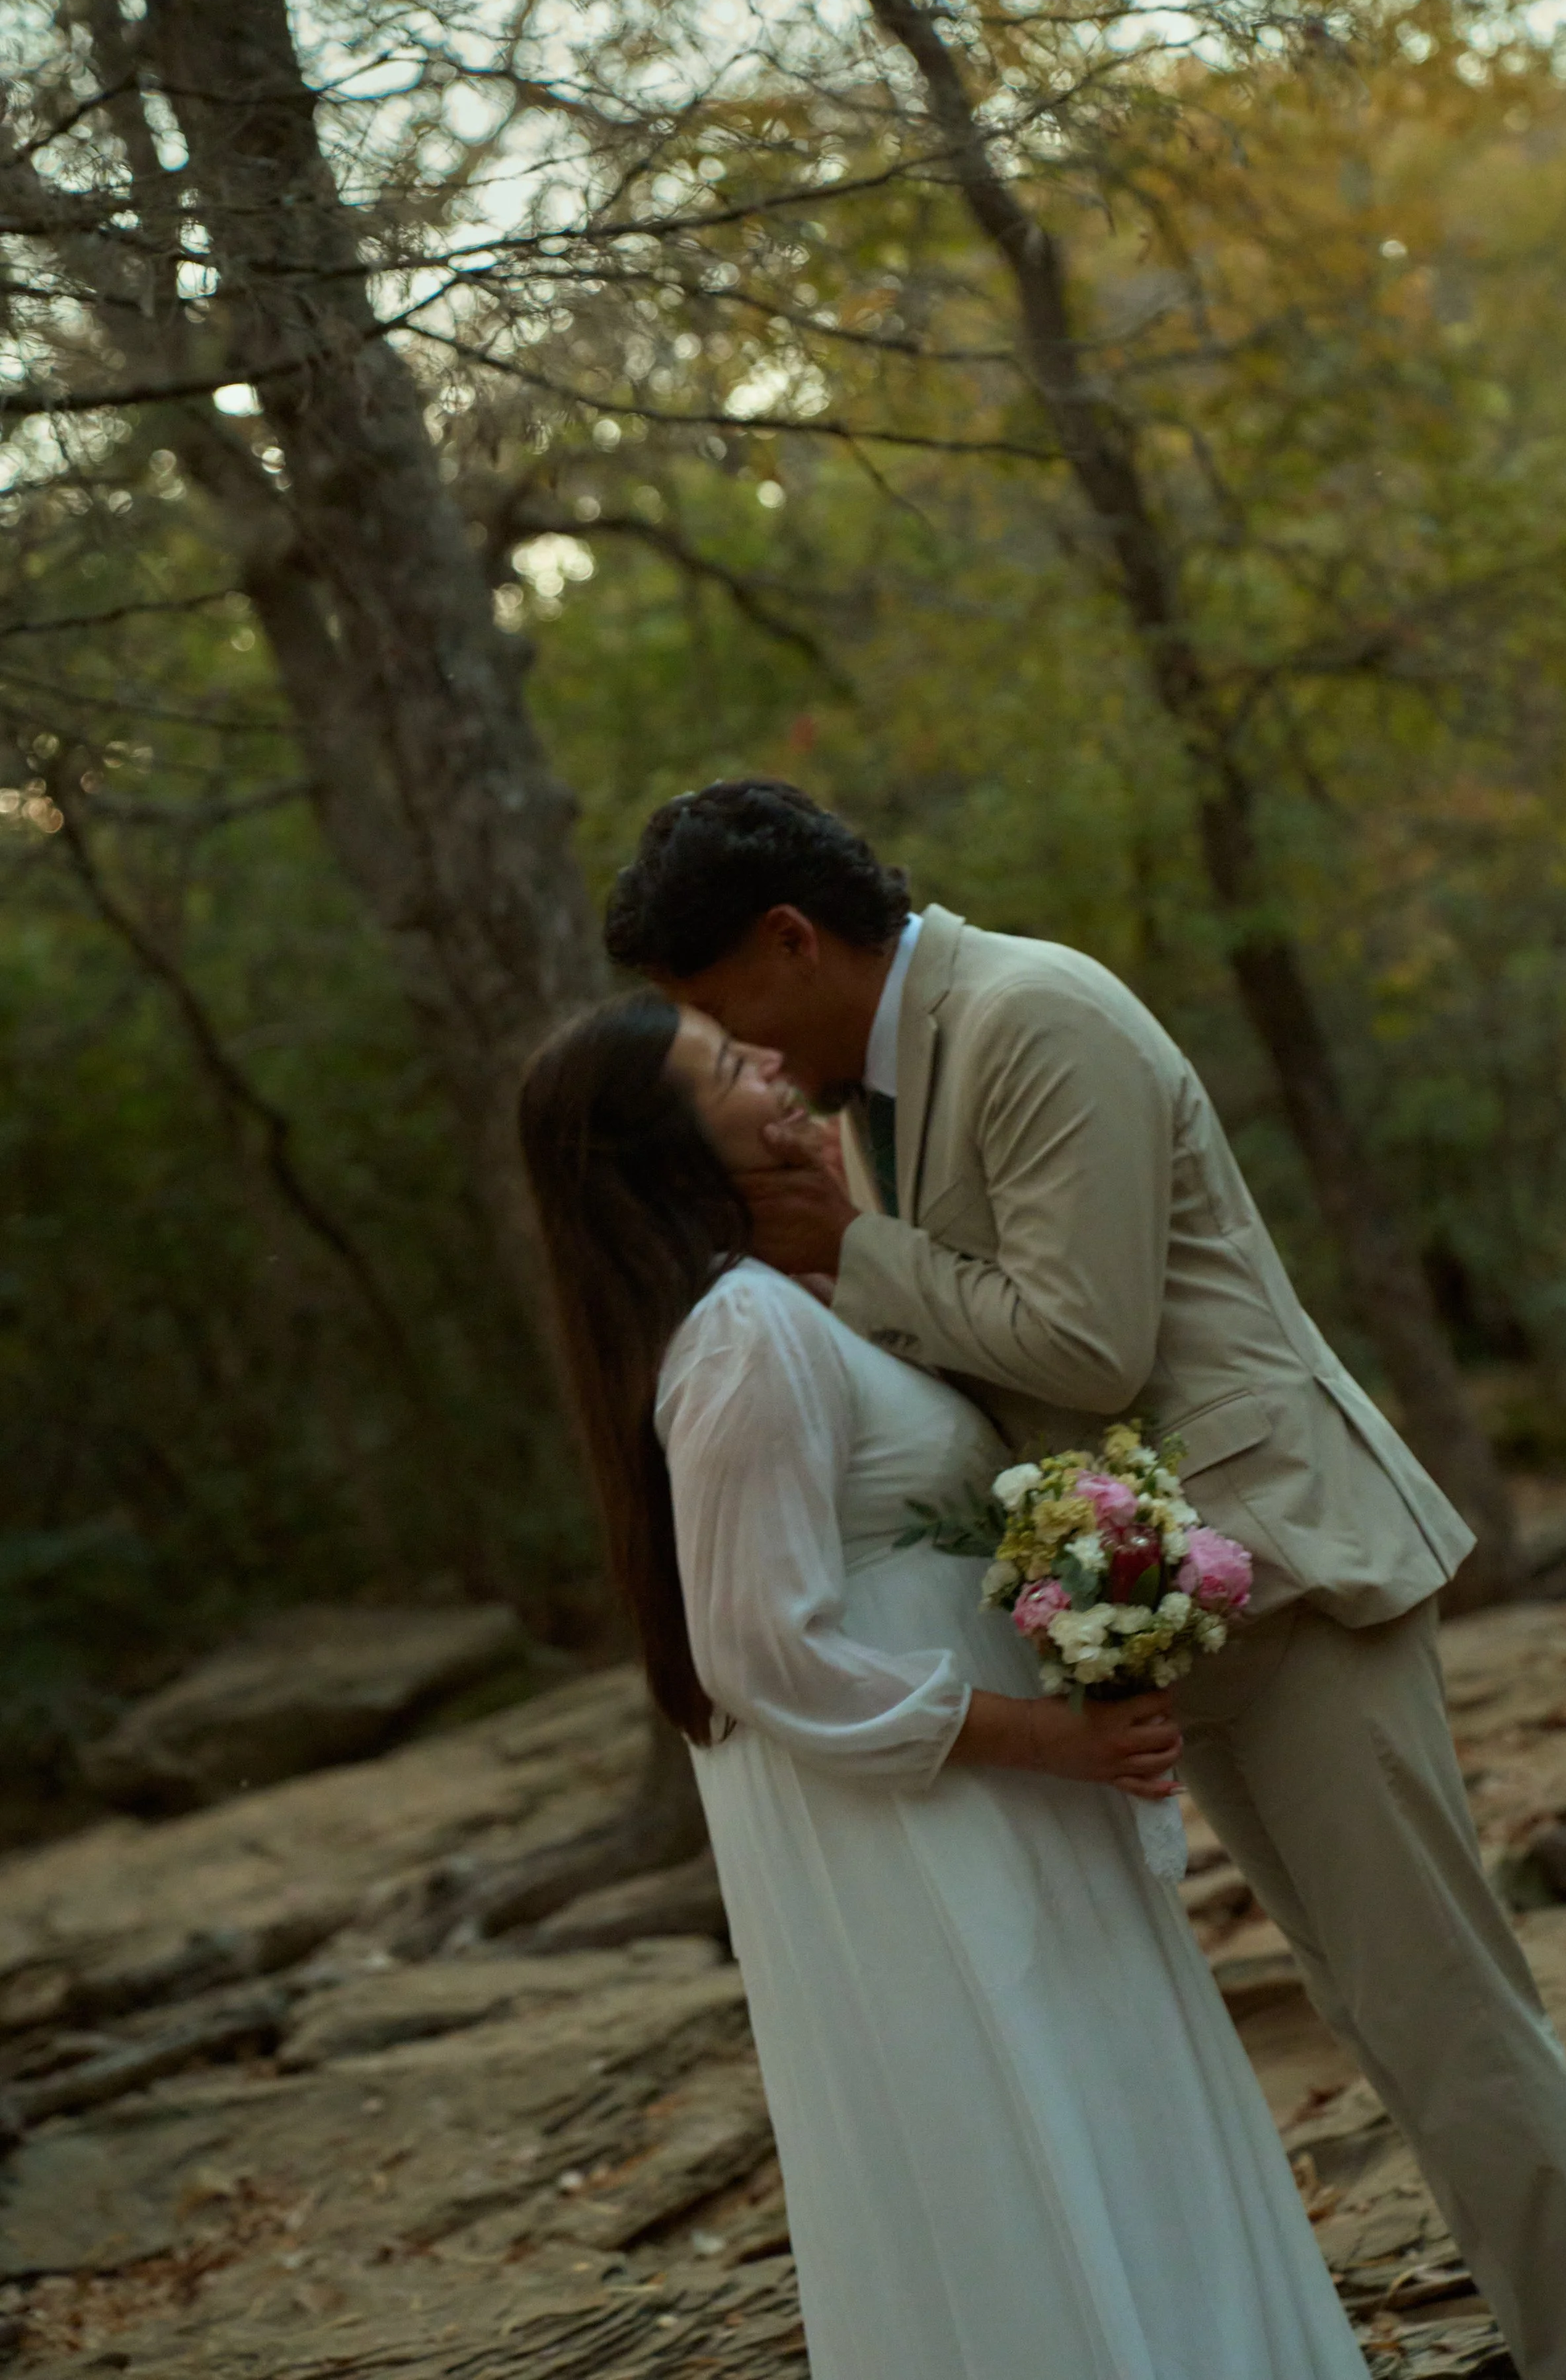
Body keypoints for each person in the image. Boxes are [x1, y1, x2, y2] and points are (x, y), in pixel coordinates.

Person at [603, 776, 1566, 2380]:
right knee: (1384, 2027)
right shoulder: (877, 1094)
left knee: (1449, 2031)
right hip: (1175, 1615)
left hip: (1288, 1583)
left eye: (706, 1001)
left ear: (788, 939)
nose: (723, 1046)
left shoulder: (1028, 1014)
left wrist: (850, 1257)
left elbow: (1084, 1342)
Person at [518, 992, 1369, 2380]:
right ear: (665, 1153)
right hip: (938, 1825)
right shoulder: (738, 1339)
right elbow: (757, 1647)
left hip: (996, 1801)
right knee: (1033, 2129)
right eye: (728, 1071)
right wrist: (1046, 1733)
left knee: (1103, 2117)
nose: (774, 1070)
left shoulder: (788, 1300)